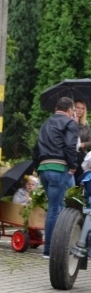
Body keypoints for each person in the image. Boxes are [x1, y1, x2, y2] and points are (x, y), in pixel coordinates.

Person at [35, 96, 80, 258]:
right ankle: (50, 250)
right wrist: (73, 165)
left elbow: (36, 147)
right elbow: (70, 146)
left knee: (56, 207)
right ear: (69, 110)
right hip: (58, 167)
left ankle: (57, 246)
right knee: (56, 209)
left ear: (56, 108)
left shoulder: (46, 123)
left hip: (43, 169)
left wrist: (37, 167)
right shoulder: (70, 123)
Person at [73, 99, 91, 185]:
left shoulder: (85, 125)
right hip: (71, 155)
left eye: (82, 108)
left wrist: (84, 144)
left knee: (81, 181)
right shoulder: (68, 122)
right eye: (77, 107)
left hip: (82, 155)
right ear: (73, 108)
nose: (80, 110)